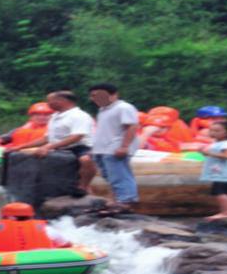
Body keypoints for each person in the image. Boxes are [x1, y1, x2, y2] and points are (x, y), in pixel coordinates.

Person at [22, 91, 97, 195]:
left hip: (80, 146)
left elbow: (76, 137)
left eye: (50, 101)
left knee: (86, 160)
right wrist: (20, 147)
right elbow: (47, 138)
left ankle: (83, 186)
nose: (48, 104)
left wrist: (49, 147)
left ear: (62, 101)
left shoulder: (80, 116)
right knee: (33, 155)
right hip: (59, 146)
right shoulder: (55, 116)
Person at [87, 83, 140, 215]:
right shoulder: (103, 110)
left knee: (120, 174)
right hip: (102, 148)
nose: (95, 98)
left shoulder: (124, 107)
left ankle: (126, 202)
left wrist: (124, 146)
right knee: (110, 176)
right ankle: (116, 200)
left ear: (113, 95)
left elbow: (131, 127)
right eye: (93, 96)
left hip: (116, 146)